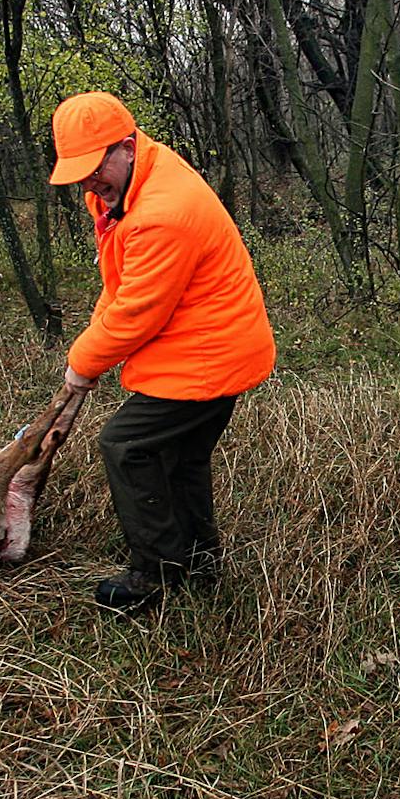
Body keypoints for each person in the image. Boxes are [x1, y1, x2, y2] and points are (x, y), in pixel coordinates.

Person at [48, 91, 276, 613]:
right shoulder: (123, 190)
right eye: (78, 171)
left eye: (94, 167)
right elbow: (120, 285)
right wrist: (93, 342)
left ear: (126, 146)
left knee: (126, 446)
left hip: (208, 354)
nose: (88, 181)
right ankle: (198, 561)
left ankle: (155, 572)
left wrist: (83, 363)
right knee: (181, 457)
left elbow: (137, 312)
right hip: (204, 344)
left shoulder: (163, 211)